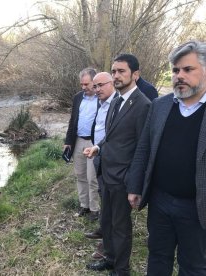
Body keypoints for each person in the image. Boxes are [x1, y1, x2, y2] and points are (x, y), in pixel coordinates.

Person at [127, 40, 206, 275]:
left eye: (188, 69)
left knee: (192, 265)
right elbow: (144, 149)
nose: (179, 76)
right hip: (160, 201)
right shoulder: (160, 105)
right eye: (175, 70)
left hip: (201, 206)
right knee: (157, 256)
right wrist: (135, 185)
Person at [83, 54, 151, 276]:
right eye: (114, 71)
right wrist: (98, 147)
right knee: (107, 222)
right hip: (107, 172)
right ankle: (110, 258)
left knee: (121, 227)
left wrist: (134, 185)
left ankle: (121, 269)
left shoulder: (143, 105)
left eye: (121, 71)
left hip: (123, 179)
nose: (117, 75)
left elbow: (143, 148)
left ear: (135, 74)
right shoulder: (115, 100)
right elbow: (111, 135)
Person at [84, 72, 118, 249]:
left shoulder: (117, 103)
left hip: (112, 160)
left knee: (112, 202)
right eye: (95, 86)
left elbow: (113, 135)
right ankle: (104, 230)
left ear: (112, 83)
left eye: (100, 85)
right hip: (99, 154)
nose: (97, 89)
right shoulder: (101, 102)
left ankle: (109, 243)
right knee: (103, 195)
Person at [64, 68, 100, 221]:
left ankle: (94, 209)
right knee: (80, 175)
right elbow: (73, 120)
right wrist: (68, 142)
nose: (84, 87)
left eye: (86, 84)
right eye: (82, 84)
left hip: (94, 141)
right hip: (78, 140)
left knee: (92, 178)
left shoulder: (102, 98)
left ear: (94, 82)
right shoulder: (78, 97)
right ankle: (83, 205)